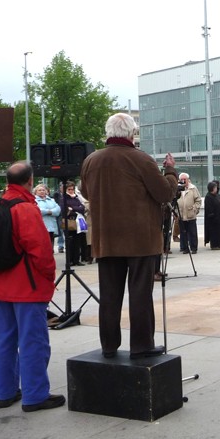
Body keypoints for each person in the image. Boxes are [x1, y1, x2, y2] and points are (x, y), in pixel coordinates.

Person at [80, 113, 178, 359]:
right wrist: (170, 171)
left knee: (110, 295)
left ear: (108, 132)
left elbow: (86, 192)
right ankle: (141, 345)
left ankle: (109, 345)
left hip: (106, 238)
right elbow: (164, 193)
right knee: (140, 295)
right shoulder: (140, 159)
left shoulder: (91, 160)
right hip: (140, 239)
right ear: (132, 133)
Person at [0, 162, 62, 411]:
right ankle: (35, 395)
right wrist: (49, 276)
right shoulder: (26, 209)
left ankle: (5, 392)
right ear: (30, 180)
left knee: (4, 341)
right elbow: (40, 251)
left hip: (0, 285)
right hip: (26, 287)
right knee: (33, 342)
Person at [62, 181, 86, 266]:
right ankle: (70, 260)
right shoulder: (64, 198)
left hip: (77, 221)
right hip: (69, 221)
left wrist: (73, 208)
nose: (71, 191)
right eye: (69, 189)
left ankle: (76, 260)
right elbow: (64, 210)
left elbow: (82, 208)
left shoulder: (76, 198)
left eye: (72, 189)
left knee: (77, 241)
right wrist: (76, 209)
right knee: (69, 242)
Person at [177, 173, 201, 254]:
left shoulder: (193, 188)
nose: (183, 181)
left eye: (185, 179)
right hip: (181, 214)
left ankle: (193, 247)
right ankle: (184, 248)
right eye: (182, 180)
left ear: (188, 179)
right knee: (183, 233)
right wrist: (176, 211)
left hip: (191, 214)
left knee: (192, 232)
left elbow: (198, 200)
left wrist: (195, 209)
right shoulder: (178, 189)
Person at [204, 181, 220, 250]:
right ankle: (214, 245)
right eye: (215, 188)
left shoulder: (217, 195)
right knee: (214, 232)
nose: (216, 189)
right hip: (213, 218)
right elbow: (209, 208)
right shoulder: (208, 197)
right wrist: (213, 216)